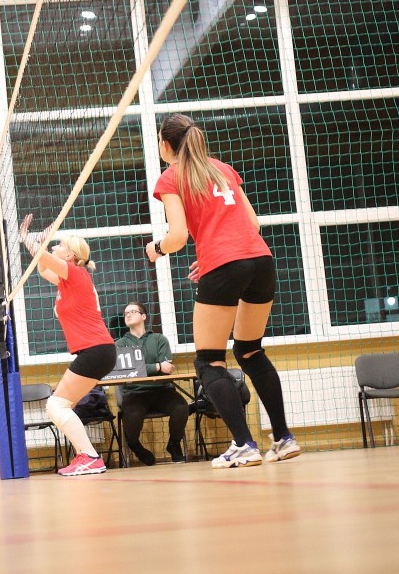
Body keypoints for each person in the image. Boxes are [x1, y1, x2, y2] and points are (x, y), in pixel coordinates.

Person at [146, 114, 301, 469]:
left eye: (158, 141)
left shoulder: (171, 177)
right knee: (250, 350)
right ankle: (283, 439)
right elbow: (253, 223)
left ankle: (244, 445)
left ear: (166, 145)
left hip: (226, 264)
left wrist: (156, 249)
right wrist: (212, 256)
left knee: (208, 361)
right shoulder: (222, 169)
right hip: (260, 259)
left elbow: (178, 236)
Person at [19, 214, 117, 476]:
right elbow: (43, 268)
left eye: (59, 245)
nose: (55, 247)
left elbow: (41, 255)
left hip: (97, 349)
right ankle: (87, 456)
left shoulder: (75, 273)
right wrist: (42, 241)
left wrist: (28, 238)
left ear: (70, 256)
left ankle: (90, 457)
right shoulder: (67, 280)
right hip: (97, 350)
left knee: (56, 405)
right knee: (62, 406)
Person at [114, 301, 189, 465]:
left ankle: (174, 444)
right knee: (132, 416)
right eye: (126, 313)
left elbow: (167, 368)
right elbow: (126, 370)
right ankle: (135, 446)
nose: (127, 315)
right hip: (135, 393)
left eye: (132, 311)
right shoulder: (120, 345)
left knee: (181, 407)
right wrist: (157, 366)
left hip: (162, 390)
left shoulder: (159, 339)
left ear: (143, 316)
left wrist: (146, 368)